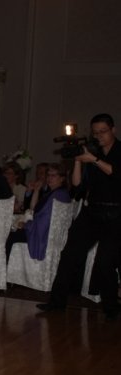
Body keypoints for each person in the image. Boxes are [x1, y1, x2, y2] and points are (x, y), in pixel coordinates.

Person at [37, 113, 121, 320]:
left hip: (116, 214)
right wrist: (77, 161)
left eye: (103, 132)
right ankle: (56, 303)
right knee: (69, 255)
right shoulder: (92, 152)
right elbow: (77, 185)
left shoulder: (118, 151)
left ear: (113, 130)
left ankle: (111, 308)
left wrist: (94, 159)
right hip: (91, 212)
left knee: (105, 262)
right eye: (95, 132)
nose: (99, 136)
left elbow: (116, 173)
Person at [5, 163, 71, 260]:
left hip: (42, 236)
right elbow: (34, 209)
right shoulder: (57, 193)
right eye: (48, 175)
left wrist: (27, 225)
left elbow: (45, 220)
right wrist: (36, 190)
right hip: (45, 233)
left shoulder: (58, 195)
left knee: (10, 235)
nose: (49, 178)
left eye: (53, 175)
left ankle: (6, 265)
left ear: (62, 178)